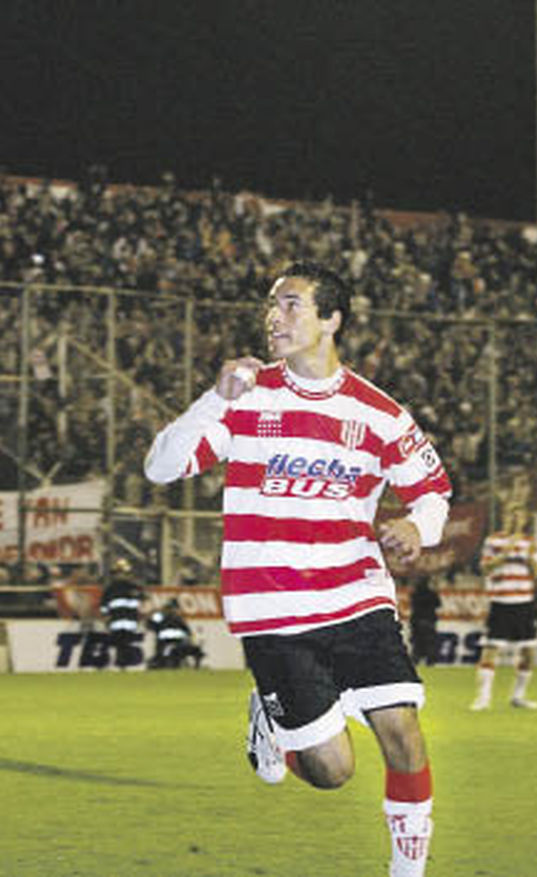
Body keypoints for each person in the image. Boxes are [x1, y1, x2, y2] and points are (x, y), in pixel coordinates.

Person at [145, 262, 452, 877]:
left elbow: (434, 493)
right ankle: (274, 717)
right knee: (333, 772)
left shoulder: (380, 413)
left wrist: (419, 529)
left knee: (403, 732)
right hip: (273, 608)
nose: (273, 317)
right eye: (270, 305)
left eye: (290, 305)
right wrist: (214, 398)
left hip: (356, 596)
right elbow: (160, 467)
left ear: (331, 320)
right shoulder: (245, 397)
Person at [470, 503, 537, 710]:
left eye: (519, 517)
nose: (514, 520)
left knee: (528, 652)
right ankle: (483, 698)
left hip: (524, 603)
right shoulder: (494, 540)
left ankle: (518, 696)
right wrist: (506, 552)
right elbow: (485, 568)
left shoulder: (530, 542)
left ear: (524, 520)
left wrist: (527, 556)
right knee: (491, 649)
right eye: (511, 515)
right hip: (501, 602)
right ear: (504, 517)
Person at [99, 560, 146, 669]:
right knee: (119, 644)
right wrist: (106, 617)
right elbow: (103, 606)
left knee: (125, 644)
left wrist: (141, 615)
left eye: (122, 573)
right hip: (117, 621)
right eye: (118, 573)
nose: (120, 576)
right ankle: (119, 664)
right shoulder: (110, 588)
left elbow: (144, 603)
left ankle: (123, 664)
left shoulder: (135, 588)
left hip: (130, 622)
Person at [147, 598, 206, 669]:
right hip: (169, 644)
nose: (172, 610)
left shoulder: (172, 617)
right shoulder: (173, 618)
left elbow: (150, 625)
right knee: (162, 657)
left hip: (171, 645)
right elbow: (187, 632)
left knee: (162, 657)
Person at [408, 577, 441, 667]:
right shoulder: (432, 593)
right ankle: (430, 661)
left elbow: (412, 605)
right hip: (429, 620)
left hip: (417, 621)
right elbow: (438, 604)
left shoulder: (415, 594)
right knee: (430, 642)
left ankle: (416, 660)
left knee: (417, 642)